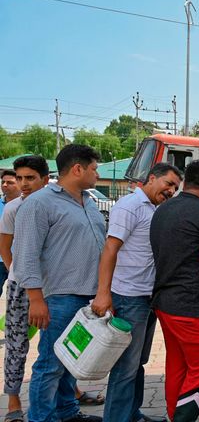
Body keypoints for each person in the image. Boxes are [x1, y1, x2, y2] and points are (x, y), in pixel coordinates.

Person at [16, 144, 105, 422]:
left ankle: (67, 412)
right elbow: (26, 254)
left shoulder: (87, 201)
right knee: (50, 364)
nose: (97, 173)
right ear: (77, 169)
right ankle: (41, 418)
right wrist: (36, 299)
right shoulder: (40, 203)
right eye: (93, 168)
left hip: (86, 298)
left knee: (71, 362)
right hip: (58, 298)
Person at [90, 163, 182, 422]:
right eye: (168, 183)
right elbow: (110, 250)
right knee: (125, 368)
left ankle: (131, 414)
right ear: (151, 178)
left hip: (147, 297)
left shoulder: (155, 209)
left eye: (175, 187)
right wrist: (103, 293)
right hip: (129, 297)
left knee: (137, 363)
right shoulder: (130, 206)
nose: (171, 190)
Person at [150, 161, 199, 421]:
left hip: (164, 303)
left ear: (184, 183)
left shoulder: (162, 210)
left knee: (178, 365)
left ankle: (174, 415)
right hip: (194, 307)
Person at [1, 156, 49, 422]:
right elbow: (5, 245)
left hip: (53, 286)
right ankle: (13, 401)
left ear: (45, 179)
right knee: (17, 343)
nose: (23, 184)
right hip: (21, 288)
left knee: (57, 343)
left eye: (29, 178)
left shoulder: (55, 205)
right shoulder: (13, 209)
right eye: (19, 178)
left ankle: (71, 392)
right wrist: (15, 273)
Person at [0, 169, 20, 297]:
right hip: (0, 260)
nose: (5, 185)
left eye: (10, 182)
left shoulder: (29, 204)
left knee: (18, 299)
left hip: (19, 260)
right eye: (3, 182)